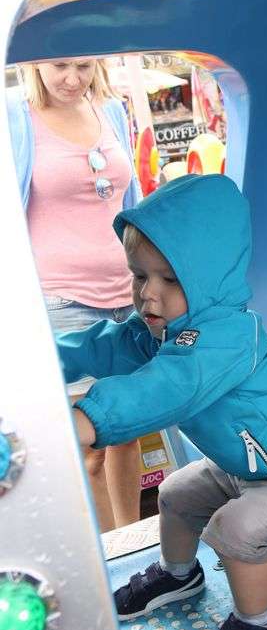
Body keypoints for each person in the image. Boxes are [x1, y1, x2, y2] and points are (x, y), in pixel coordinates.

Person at [61, 174, 267, 630]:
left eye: (170, 279)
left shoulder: (226, 337)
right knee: (176, 492)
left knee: (235, 528)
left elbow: (166, 387)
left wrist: (86, 420)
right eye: (139, 276)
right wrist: (39, 359)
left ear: (208, 279)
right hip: (254, 468)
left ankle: (257, 624)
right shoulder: (163, 331)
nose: (148, 294)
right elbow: (103, 346)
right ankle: (179, 574)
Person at [7, 57, 143, 532]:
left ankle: (134, 542)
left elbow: (131, 205)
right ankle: (110, 553)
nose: (72, 78)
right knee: (88, 448)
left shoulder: (112, 111)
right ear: (36, 64)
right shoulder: (14, 115)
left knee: (128, 433)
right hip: (62, 303)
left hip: (129, 298)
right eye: (60, 65)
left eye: (83, 66)